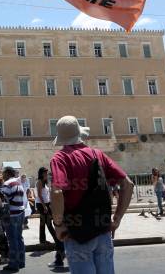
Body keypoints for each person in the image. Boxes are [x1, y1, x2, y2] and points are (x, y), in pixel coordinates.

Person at [50, 115, 134, 274]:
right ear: (79, 134)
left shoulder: (60, 158)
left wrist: (59, 224)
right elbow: (128, 184)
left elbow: (57, 191)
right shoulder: (98, 154)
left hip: (77, 233)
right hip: (103, 229)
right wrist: (117, 219)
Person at [35, 167, 64, 267]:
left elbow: (47, 194)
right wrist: (44, 206)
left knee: (45, 222)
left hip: (47, 203)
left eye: (47, 172)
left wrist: (49, 204)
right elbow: (39, 195)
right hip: (41, 204)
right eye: (45, 172)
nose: (47, 174)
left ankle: (43, 240)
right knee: (47, 222)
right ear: (41, 173)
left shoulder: (45, 181)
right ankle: (55, 239)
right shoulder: (39, 181)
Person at [0, 166, 26, 272]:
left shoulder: (7, 184)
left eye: (3, 173)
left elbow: (2, 200)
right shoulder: (18, 182)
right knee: (19, 238)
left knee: (12, 240)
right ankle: (21, 261)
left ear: (7, 173)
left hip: (11, 215)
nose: (2, 175)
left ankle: (13, 264)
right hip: (20, 213)